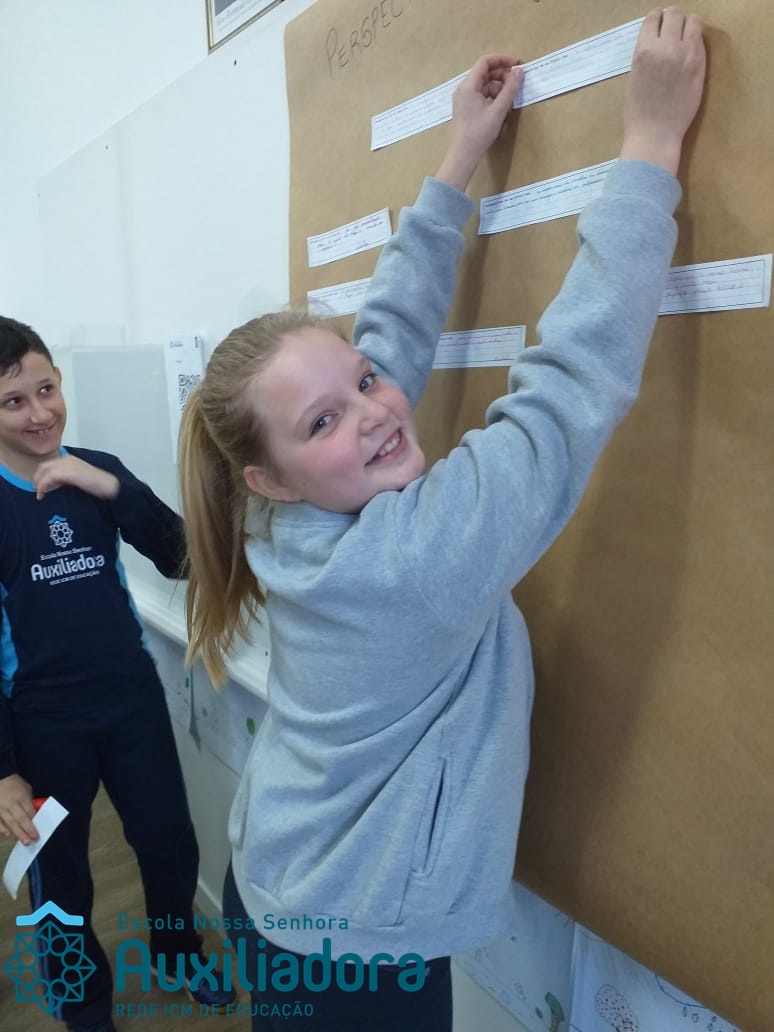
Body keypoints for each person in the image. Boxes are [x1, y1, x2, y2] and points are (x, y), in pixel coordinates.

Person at [178, 8, 706, 1030]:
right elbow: (568, 388)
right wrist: (649, 146)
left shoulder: (283, 515)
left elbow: (385, 336)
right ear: (268, 478)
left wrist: (460, 157)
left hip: (283, 889)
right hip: (352, 950)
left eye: (362, 382)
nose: (375, 410)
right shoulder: (413, 560)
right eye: (324, 420)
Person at [0, 319, 235, 1032]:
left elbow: (183, 557)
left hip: (131, 700)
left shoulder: (98, 471)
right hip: (43, 723)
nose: (40, 413)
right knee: (61, 874)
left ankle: (178, 955)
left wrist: (107, 484)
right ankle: (83, 999)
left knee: (169, 843)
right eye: (13, 401)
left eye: (47, 389)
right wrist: (4, 771)